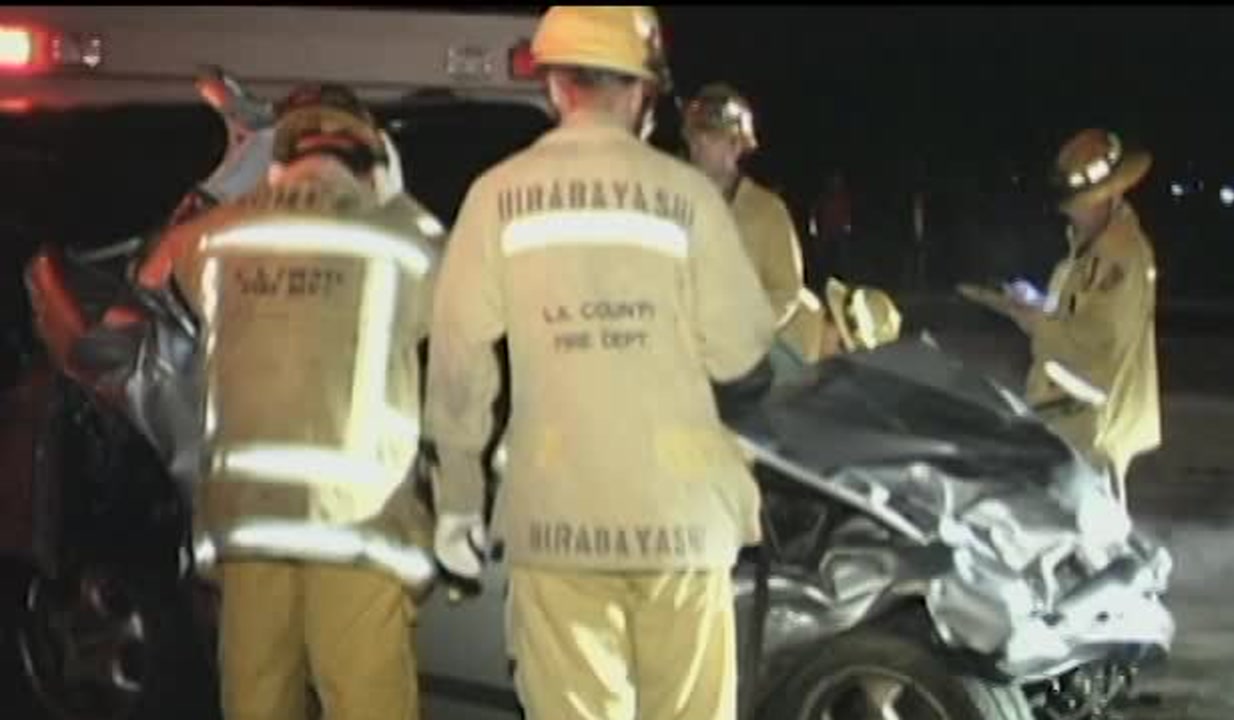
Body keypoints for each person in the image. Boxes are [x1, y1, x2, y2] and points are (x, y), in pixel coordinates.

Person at [424, 6, 776, 720]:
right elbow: (743, 357)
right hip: (680, 520)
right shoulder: (688, 198)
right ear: (642, 91)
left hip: (558, 518)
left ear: (556, 86)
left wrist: (457, 501)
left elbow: (459, 365)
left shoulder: (495, 197)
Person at [133, 83, 442, 720]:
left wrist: (236, 178)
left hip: (251, 522)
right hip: (356, 521)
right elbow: (471, 313)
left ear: (281, 155)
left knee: (257, 698)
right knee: (367, 702)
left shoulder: (222, 236)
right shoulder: (405, 235)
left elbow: (149, 274)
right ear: (372, 156)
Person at [959, 128, 1161, 507]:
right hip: (1072, 417)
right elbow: (1070, 314)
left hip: (1095, 424)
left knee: (1095, 526)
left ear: (1106, 196)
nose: (1072, 212)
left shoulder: (1119, 257)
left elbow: (1100, 342)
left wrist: (1035, 320)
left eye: (1079, 202)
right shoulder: (1089, 250)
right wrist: (1029, 302)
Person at [681, 82, 817, 356]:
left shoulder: (767, 212)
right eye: (695, 137)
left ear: (736, 145)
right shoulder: (673, 202)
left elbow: (785, 291)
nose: (699, 145)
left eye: (711, 137)